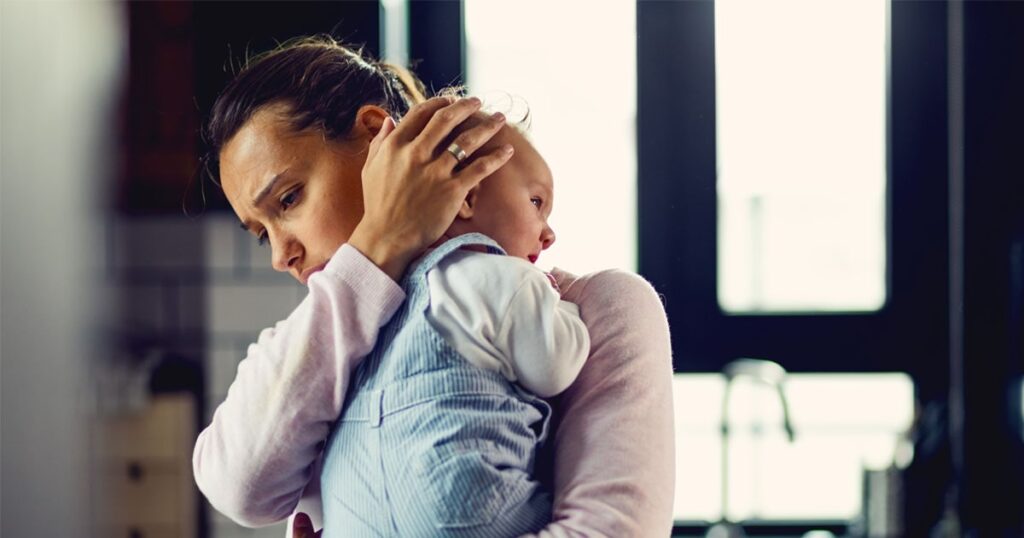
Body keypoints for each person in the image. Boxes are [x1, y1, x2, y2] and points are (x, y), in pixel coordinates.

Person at [193, 36, 676, 537]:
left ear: (376, 134)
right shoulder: (301, 350)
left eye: (289, 199)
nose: (280, 254)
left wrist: (380, 240)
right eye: (261, 235)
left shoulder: (593, 309)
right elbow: (241, 491)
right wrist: (376, 252)